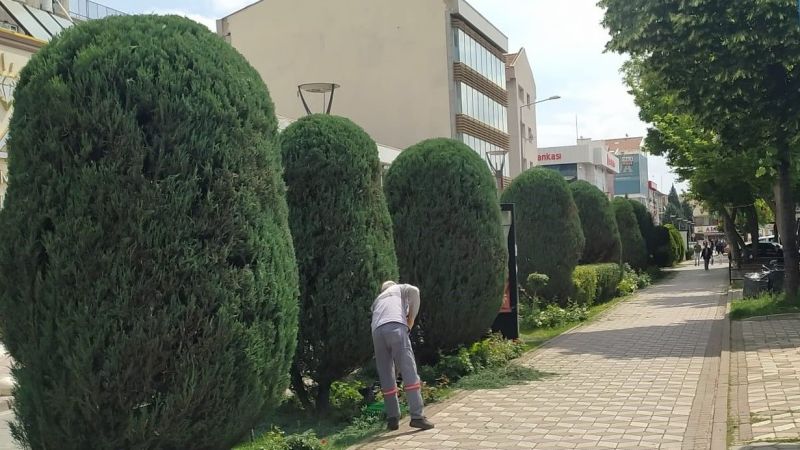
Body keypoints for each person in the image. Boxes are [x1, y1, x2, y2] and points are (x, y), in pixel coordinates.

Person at [371, 281, 434, 431]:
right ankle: (417, 417)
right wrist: (411, 318)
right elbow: (415, 290)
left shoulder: (378, 299)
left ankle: (392, 418)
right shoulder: (398, 288)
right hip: (395, 326)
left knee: (386, 373)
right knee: (409, 371)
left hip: (376, 333)